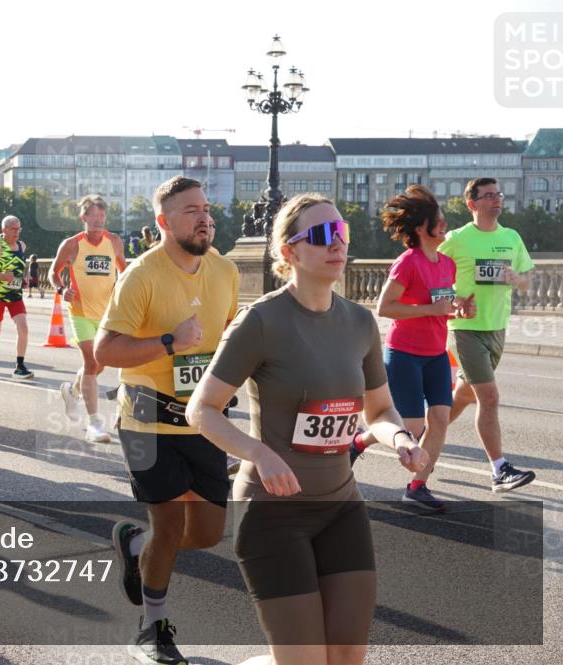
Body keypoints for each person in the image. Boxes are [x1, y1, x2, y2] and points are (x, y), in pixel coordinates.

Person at [185, 193, 428, 665]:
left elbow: (378, 412)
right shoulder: (261, 321)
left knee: (345, 658)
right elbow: (203, 409)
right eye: (321, 235)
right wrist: (260, 454)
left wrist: (399, 438)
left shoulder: (359, 323)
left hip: (341, 508)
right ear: (289, 252)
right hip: (273, 516)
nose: (336, 244)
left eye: (342, 233)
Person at [94, 176, 240, 665]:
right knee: (171, 524)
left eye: (206, 208)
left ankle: (133, 543)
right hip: (145, 420)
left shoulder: (224, 271)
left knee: (208, 532)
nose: (204, 218)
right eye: (190, 210)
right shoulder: (142, 275)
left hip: (204, 421)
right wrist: (168, 343)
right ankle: (153, 628)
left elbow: (230, 343)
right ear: (164, 222)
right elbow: (105, 351)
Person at [350, 186, 476, 510]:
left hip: (436, 354)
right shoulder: (408, 263)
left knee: (440, 420)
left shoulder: (447, 264)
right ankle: (360, 441)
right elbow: (385, 307)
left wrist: (459, 308)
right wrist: (430, 310)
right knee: (411, 429)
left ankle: (417, 487)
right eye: (440, 221)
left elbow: (439, 304)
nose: (445, 225)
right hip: (404, 354)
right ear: (422, 229)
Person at [439, 177, 537, 493]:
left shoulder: (511, 237)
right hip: (465, 329)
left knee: (465, 395)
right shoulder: (456, 239)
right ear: (472, 204)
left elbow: (528, 281)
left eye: (498, 194)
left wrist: (516, 278)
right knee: (489, 397)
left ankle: (423, 438)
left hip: (497, 328)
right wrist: (453, 301)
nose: (496, 199)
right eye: (488, 195)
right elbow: (432, 273)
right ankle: (499, 470)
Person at [51, 194, 127, 443]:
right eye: (93, 216)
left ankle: (72, 391)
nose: (98, 220)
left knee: (99, 363)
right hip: (81, 311)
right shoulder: (72, 244)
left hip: (107, 313)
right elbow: (54, 272)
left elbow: (124, 271)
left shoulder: (114, 241)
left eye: (102, 216)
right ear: (83, 217)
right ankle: (95, 423)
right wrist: (63, 290)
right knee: (92, 362)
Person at [0, 216, 33, 380]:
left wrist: (22, 280)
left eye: (19, 229)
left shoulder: (22, 245)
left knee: (23, 328)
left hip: (15, 294)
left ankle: (20, 366)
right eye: (13, 229)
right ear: (3, 230)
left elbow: (18, 269)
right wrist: (3, 276)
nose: (17, 232)